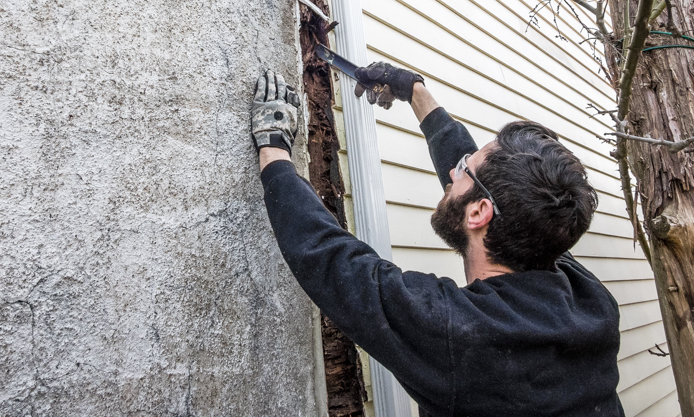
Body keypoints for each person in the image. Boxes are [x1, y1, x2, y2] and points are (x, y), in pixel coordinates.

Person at [249, 64, 624, 417]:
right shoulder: (589, 297)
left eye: (463, 170)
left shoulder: (462, 336)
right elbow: (488, 190)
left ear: (478, 213)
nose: (452, 170)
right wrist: (414, 90)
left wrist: (274, 149)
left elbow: (333, 261)